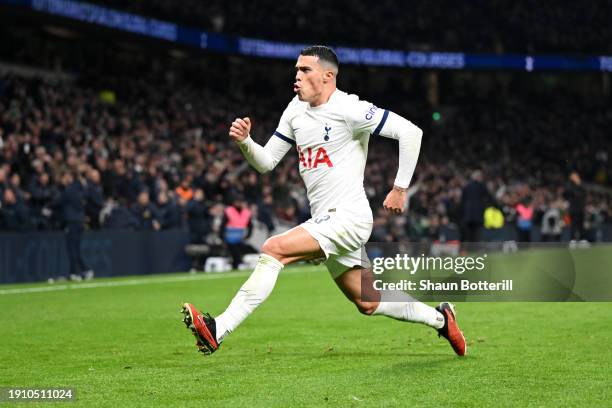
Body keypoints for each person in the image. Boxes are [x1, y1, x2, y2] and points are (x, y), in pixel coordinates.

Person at [181, 45, 466, 356]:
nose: (297, 76)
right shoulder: (294, 110)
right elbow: (265, 163)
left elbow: (411, 133)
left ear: (328, 76)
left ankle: (218, 328)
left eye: (305, 70)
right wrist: (246, 142)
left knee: (273, 249)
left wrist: (399, 188)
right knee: (368, 301)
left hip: (349, 216)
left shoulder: (351, 109)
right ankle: (441, 319)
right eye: (296, 70)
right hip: (325, 220)